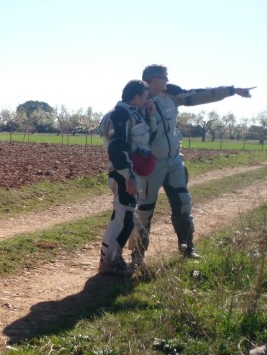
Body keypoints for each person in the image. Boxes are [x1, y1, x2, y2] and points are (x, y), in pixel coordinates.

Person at [129, 64, 254, 265]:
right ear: (154, 80)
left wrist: (231, 90)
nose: (167, 81)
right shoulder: (137, 101)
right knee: (144, 210)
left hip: (174, 161)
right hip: (151, 165)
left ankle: (187, 248)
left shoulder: (172, 94)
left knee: (183, 203)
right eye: (164, 77)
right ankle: (137, 256)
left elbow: (198, 95)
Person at [98, 80, 156, 276]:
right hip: (123, 173)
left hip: (130, 173)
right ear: (137, 96)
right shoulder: (119, 114)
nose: (148, 99)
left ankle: (114, 259)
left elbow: (140, 141)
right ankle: (109, 262)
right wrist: (128, 176)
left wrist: (150, 116)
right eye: (146, 96)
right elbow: (116, 148)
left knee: (126, 219)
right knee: (122, 219)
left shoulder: (134, 114)